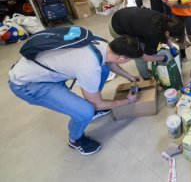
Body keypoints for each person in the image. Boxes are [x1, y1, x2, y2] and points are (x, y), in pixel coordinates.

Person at [9, 35, 143, 155]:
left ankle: (91, 98)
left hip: (44, 69)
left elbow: (110, 62)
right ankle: (75, 141)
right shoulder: (89, 67)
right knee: (86, 111)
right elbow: (98, 104)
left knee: (104, 68)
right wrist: (128, 101)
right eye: (129, 60)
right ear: (121, 58)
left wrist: (129, 76)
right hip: (29, 84)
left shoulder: (100, 42)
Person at [109, 7, 185, 80]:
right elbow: (145, 57)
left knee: (146, 46)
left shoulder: (165, 20)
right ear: (168, 33)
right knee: (139, 56)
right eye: (173, 39)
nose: (172, 40)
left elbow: (166, 36)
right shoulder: (152, 34)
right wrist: (163, 58)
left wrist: (171, 47)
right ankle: (146, 76)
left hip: (124, 16)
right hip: (117, 27)